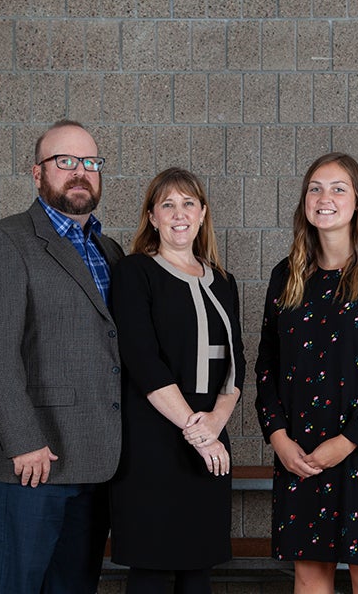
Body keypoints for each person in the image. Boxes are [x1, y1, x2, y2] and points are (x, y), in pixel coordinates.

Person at [255, 153, 358, 594]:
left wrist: (346, 442)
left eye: (337, 188)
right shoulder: (287, 275)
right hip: (299, 450)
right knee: (309, 572)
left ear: (357, 202)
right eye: (314, 187)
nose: (324, 197)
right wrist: (278, 438)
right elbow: (266, 364)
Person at [0, 119, 124, 593]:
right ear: (37, 174)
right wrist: (21, 441)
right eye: (65, 162)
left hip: (98, 456)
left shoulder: (109, 249)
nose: (80, 172)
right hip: (37, 458)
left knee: (75, 587)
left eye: (90, 163)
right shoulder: (5, 241)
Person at [109, 167, 246, 593]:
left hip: (211, 436)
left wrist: (217, 422)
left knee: (198, 566)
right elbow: (142, 359)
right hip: (154, 441)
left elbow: (236, 362)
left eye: (188, 203)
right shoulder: (135, 273)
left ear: (203, 213)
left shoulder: (224, 281)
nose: (178, 213)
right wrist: (197, 431)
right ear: (152, 217)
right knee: (149, 567)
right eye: (167, 204)